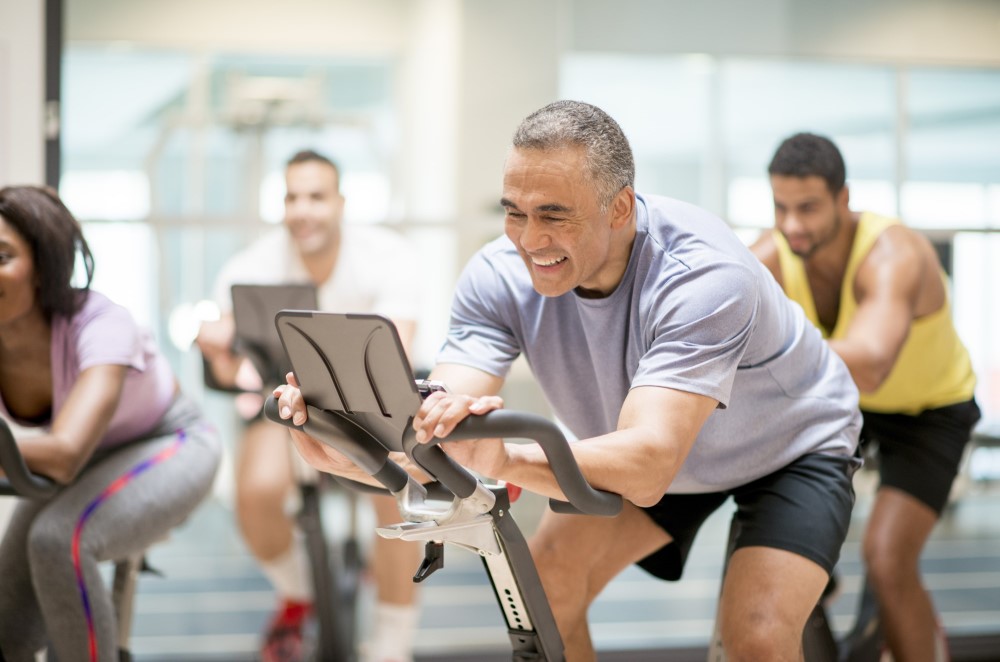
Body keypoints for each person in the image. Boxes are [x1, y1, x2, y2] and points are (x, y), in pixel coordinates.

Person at [274, 101, 864, 661]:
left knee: (757, 640)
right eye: (514, 211)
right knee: (547, 598)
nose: (529, 240)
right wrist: (362, 449)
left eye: (554, 214)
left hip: (789, 448)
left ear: (621, 207)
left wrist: (502, 459)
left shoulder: (703, 275)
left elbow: (651, 462)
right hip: (641, 446)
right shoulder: (497, 277)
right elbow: (443, 418)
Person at [750, 132, 981, 662]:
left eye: (807, 208)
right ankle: (819, 584)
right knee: (778, 538)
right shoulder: (772, 253)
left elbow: (872, 363)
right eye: (780, 208)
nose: (792, 225)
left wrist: (768, 348)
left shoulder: (894, 254)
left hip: (930, 411)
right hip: (840, 404)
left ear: (843, 198)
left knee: (886, 558)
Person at [196, 149, 423, 662]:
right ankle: (297, 593)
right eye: (292, 197)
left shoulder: (389, 256)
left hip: (367, 400)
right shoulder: (247, 266)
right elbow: (236, 374)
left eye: (316, 197)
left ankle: (392, 645)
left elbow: (399, 351)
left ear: (340, 202)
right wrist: (219, 351)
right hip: (282, 400)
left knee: (398, 497)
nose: (303, 210)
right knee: (254, 492)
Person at [0, 185, 222, 661]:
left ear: (42, 267)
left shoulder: (100, 323)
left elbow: (63, 456)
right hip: (95, 458)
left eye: (2, 256)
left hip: (173, 440)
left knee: (59, 538)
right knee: (8, 628)